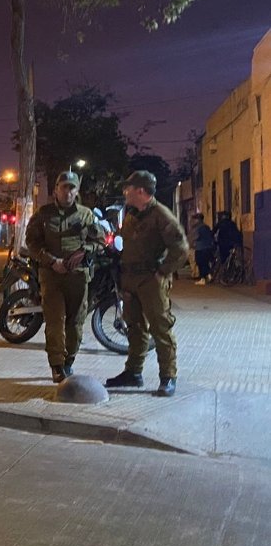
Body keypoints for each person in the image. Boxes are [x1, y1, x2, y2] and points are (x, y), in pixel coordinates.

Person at [105, 170, 189, 397]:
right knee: (134, 328)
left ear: (140, 191)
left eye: (128, 188)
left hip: (151, 280)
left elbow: (180, 249)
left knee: (161, 329)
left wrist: (162, 272)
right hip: (130, 280)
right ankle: (133, 373)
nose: (125, 192)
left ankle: (168, 377)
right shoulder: (133, 215)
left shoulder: (161, 215)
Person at [25, 171, 105, 383]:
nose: (68, 191)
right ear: (55, 190)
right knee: (54, 321)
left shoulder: (86, 215)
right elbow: (32, 243)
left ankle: (69, 360)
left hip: (78, 276)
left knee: (76, 322)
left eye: (72, 188)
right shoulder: (43, 214)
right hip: (51, 276)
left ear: (76, 191)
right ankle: (57, 365)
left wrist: (84, 250)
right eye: (64, 187)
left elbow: (100, 241)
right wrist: (52, 261)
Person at [189, 213, 216, 285]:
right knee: (205, 263)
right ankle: (209, 276)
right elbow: (211, 236)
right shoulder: (206, 227)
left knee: (200, 263)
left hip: (200, 248)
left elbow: (195, 237)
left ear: (198, 220)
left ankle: (203, 279)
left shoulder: (198, 228)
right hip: (208, 247)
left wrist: (191, 243)